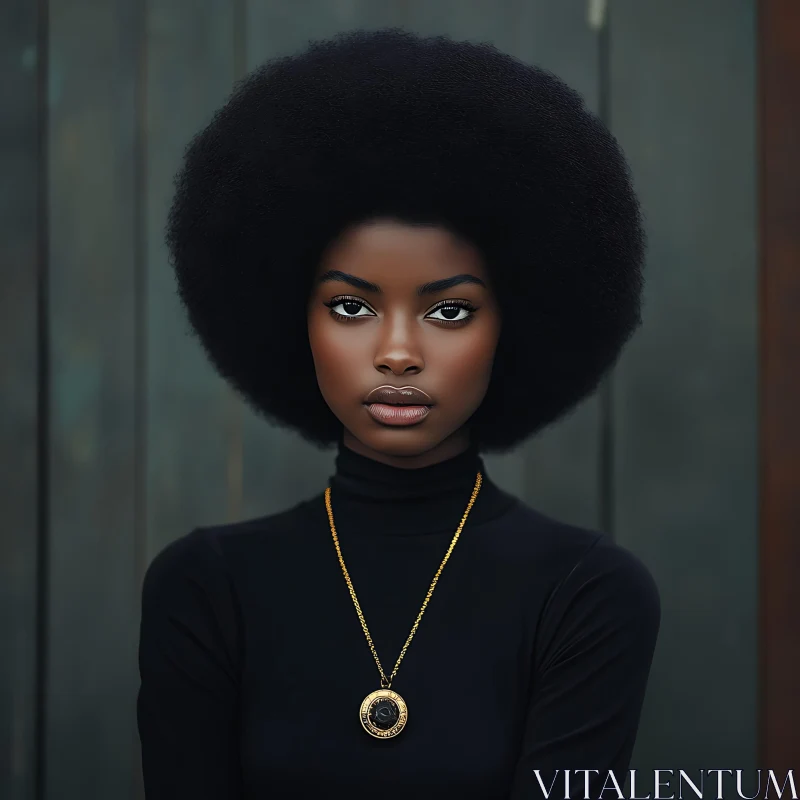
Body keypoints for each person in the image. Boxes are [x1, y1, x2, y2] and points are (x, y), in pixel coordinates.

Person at [137, 27, 660, 799]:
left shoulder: (587, 594)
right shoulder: (206, 590)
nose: (397, 352)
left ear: (512, 325)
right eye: (351, 306)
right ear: (293, 318)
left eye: (449, 312)